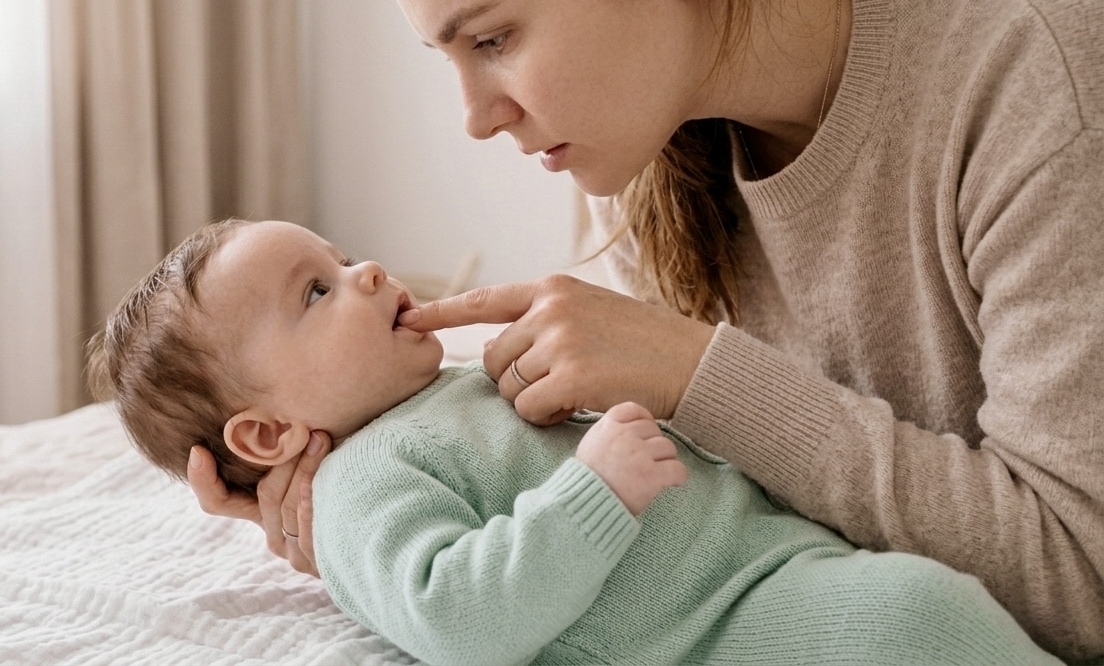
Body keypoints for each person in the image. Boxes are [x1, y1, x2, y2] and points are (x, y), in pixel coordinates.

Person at [185, 0, 1104, 662]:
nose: (475, 118)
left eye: (495, 38)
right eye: (451, 60)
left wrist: (698, 374)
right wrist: (367, 523)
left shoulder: (1045, 39)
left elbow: (1085, 585)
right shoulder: (654, 145)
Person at [88, 217, 1058, 666]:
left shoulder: (456, 386)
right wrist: (590, 492)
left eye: (339, 257)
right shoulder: (356, 483)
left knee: (926, 609)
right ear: (264, 430)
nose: (367, 268)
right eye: (317, 291)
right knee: (914, 618)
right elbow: (454, 617)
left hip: (776, 566)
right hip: (715, 629)